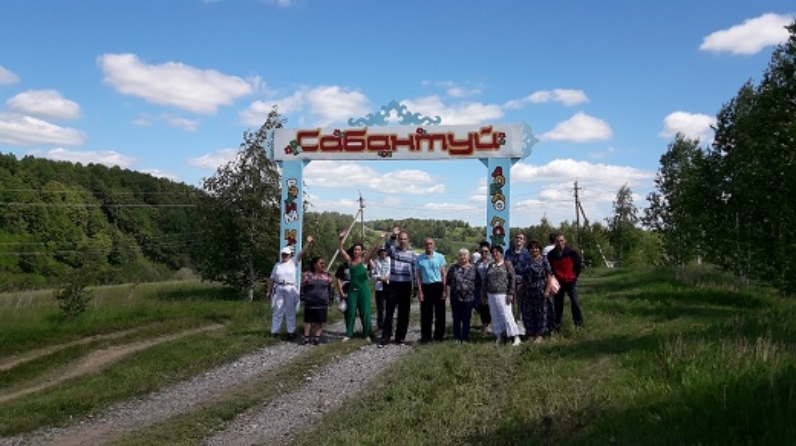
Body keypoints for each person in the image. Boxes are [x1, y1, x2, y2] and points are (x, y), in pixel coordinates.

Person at [337, 231, 385, 342]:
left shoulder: (364, 261)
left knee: (365, 313)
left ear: (362, 251)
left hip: (364, 291)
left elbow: (373, 249)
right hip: (352, 291)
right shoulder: (349, 261)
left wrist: (380, 238)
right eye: (355, 249)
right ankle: (349, 334)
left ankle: (367, 334)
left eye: (358, 250)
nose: (356, 251)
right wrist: (340, 239)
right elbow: (341, 250)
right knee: (351, 312)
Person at [268, 235, 313, 340]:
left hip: (290, 287)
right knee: (277, 310)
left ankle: (291, 332)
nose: (284, 256)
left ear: (289, 255)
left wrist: (307, 243)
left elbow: (302, 253)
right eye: (283, 254)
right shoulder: (277, 265)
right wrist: (268, 291)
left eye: (286, 254)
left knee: (290, 311)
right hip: (279, 287)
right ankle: (275, 332)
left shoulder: (293, 262)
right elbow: (272, 279)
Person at [380, 226, 417, 347]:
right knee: (389, 311)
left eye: (404, 239)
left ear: (408, 240)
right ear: (398, 239)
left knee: (404, 312)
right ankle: (385, 336)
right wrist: (392, 236)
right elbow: (386, 247)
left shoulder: (412, 254)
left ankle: (400, 337)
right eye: (400, 239)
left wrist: (416, 286)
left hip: (405, 284)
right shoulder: (393, 250)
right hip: (393, 284)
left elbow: (414, 270)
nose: (402, 241)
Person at [482, 245, 522, 346]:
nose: (495, 254)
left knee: (507, 315)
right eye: (493, 252)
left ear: (501, 253)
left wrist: (511, 293)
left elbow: (512, 279)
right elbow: (485, 281)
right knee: (495, 316)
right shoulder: (490, 265)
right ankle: (499, 336)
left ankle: (515, 337)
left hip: (503, 294)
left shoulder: (507, 264)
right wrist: (484, 295)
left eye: (497, 252)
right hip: (491, 294)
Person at [521, 240, 556, 343]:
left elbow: (549, 276)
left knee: (541, 313)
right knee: (528, 313)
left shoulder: (544, 260)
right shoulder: (526, 261)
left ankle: (539, 334)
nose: (534, 250)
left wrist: (547, 291)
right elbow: (524, 276)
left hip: (540, 289)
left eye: (536, 248)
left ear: (539, 249)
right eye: (531, 248)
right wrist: (522, 288)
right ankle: (531, 333)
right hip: (528, 290)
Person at [547, 234, 584, 329]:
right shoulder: (551, 254)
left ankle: (578, 324)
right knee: (558, 305)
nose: (560, 243)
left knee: (575, 302)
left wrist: (574, 276)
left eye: (562, 240)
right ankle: (557, 325)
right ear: (555, 242)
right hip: (558, 283)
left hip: (570, 281)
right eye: (558, 241)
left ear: (565, 241)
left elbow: (578, 265)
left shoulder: (572, 252)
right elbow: (549, 268)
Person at [416, 237, 448, 343]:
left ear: (434, 245)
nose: (428, 246)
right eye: (426, 244)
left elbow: (444, 274)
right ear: (424, 245)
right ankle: (426, 337)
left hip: (438, 285)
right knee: (426, 313)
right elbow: (418, 276)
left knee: (440, 313)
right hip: (426, 286)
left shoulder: (440, 257)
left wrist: (444, 290)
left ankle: (439, 336)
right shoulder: (419, 258)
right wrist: (420, 291)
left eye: (430, 244)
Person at [300, 256, 334, 345]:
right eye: (321, 263)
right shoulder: (307, 275)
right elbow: (302, 287)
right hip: (310, 300)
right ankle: (306, 337)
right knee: (308, 320)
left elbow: (331, 287)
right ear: (315, 265)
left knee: (319, 320)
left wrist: (331, 298)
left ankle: (316, 338)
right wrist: (302, 297)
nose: (323, 265)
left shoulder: (327, 275)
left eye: (324, 263)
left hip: (322, 301)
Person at [446, 248, 477, 343]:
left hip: (469, 298)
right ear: (458, 257)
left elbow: (478, 283)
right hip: (455, 297)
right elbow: (448, 281)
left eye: (464, 255)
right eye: (460, 255)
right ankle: (456, 337)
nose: (462, 257)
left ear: (468, 257)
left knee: (466, 318)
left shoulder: (473, 268)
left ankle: (465, 337)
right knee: (456, 318)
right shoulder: (453, 268)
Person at [504, 232, 531, 332]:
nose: (518, 239)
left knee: (521, 306)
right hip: (509, 282)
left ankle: (520, 329)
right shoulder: (509, 251)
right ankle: (510, 329)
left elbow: (528, 268)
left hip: (522, 283)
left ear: (524, 241)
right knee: (509, 306)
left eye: (521, 238)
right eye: (517, 237)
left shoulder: (527, 253)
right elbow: (507, 264)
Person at [472, 241, 492, 334]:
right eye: (482, 251)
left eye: (486, 251)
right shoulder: (477, 262)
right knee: (480, 306)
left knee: (488, 306)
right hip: (479, 287)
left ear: (489, 251)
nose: (484, 253)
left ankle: (487, 325)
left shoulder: (492, 261)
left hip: (490, 287)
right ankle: (485, 324)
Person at [370, 247, 391, 331]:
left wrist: (388, 277)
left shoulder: (390, 260)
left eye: (384, 251)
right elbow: (372, 275)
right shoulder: (375, 262)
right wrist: (379, 278)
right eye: (381, 252)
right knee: (380, 308)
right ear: (379, 253)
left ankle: (389, 325)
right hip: (379, 286)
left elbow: (393, 271)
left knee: (390, 307)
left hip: (389, 285)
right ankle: (380, 325)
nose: (383, 253)